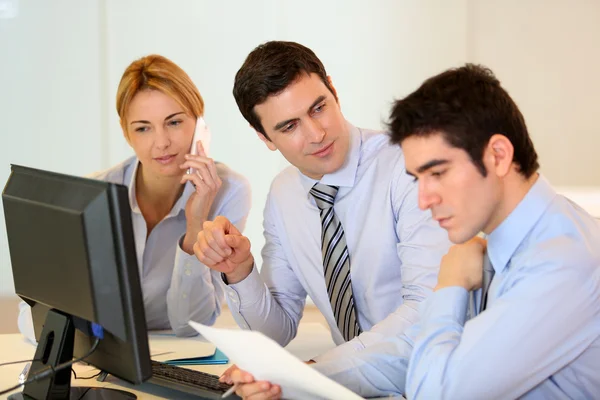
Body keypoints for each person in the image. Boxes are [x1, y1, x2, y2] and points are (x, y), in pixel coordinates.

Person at [233, 63, 600, 400]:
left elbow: (437, 391)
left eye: (437, 173)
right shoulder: (501, 244)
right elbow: (414, 357)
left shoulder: (560, 261)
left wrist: (449, 287)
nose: (423, 199)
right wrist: (296, 379)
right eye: (417, 179)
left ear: (499, 156)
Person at [194, 40, 451, 393]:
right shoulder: (284, 194)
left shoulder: (406, 168)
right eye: (289, 127)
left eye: (318, 108)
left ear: (333, 90)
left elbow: (427, 311)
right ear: (264, 137)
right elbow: (277, 331)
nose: (316, 134)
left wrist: (318, 371)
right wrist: (239, 272)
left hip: (435, 381)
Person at [18, 54, 252, 340]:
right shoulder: (93, 194)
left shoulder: (228, 191)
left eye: (174, 122)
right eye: (143, 128)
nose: (161, 142)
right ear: (126, 133)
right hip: (102, 352)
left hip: (179, 357)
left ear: (199, 123)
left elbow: (191, 325)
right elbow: (32, 317)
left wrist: (195, 228)